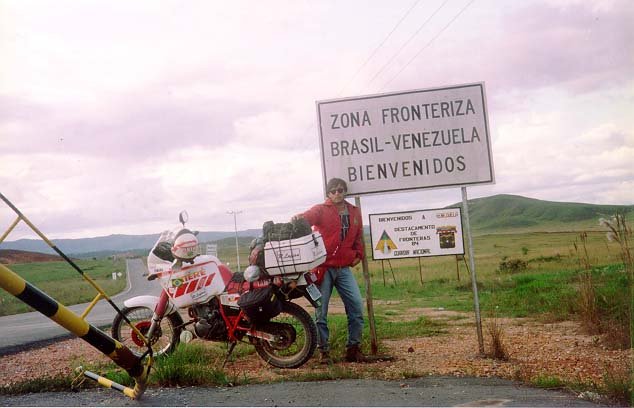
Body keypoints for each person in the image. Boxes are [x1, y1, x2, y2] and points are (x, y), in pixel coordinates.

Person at [293, 177, 369, 363]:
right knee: (321, 310)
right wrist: (299, 217)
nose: (337, 193)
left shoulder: (354, 211)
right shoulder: (321, 209)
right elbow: (308, 216)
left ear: (345, 191)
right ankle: (323, 351)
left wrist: (358, 254)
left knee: (356, 306)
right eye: (333, 191)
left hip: (344, 268)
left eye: (340, 190)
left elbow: (359, 236)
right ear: (328, 193)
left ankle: (353, 349)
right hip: (323, 268)